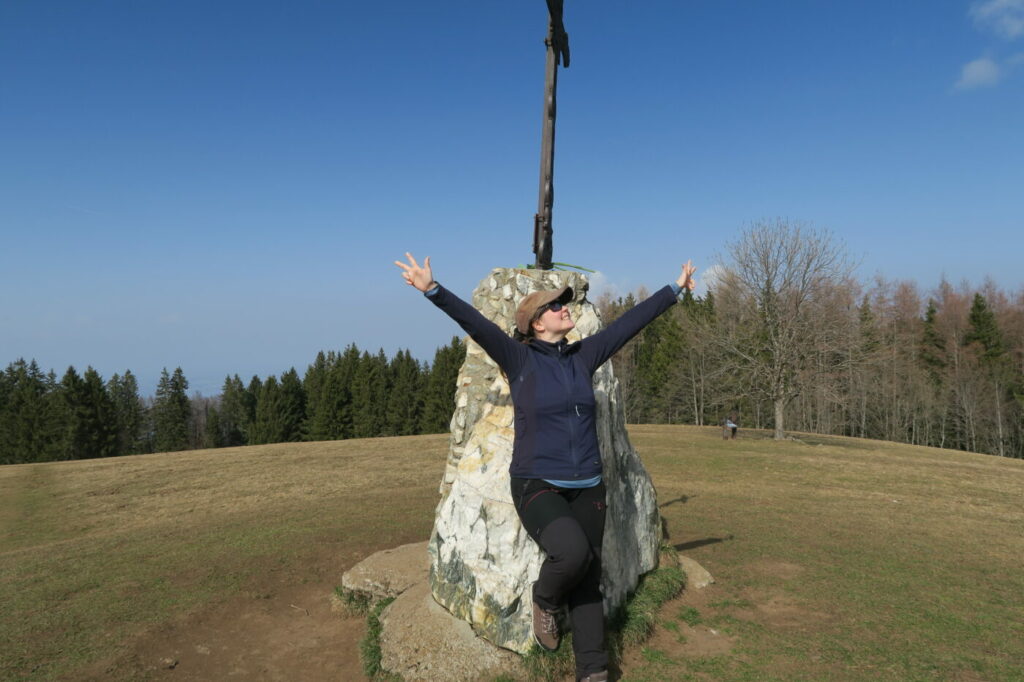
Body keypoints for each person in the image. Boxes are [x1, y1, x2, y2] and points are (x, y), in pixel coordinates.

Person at [395, 253, 696, 682]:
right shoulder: (520, 361)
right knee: (571, 553)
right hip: (538, 483)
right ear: (536, 323)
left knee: (589, 576)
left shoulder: (583, 356)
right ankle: (545, 599)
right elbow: (476, 325)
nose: (564, 308)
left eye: (564, 304)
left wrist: (675, 290)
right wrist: (433, 290)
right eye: (555, 306)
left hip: (589, 484)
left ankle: (592, 671)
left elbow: (629, 325)